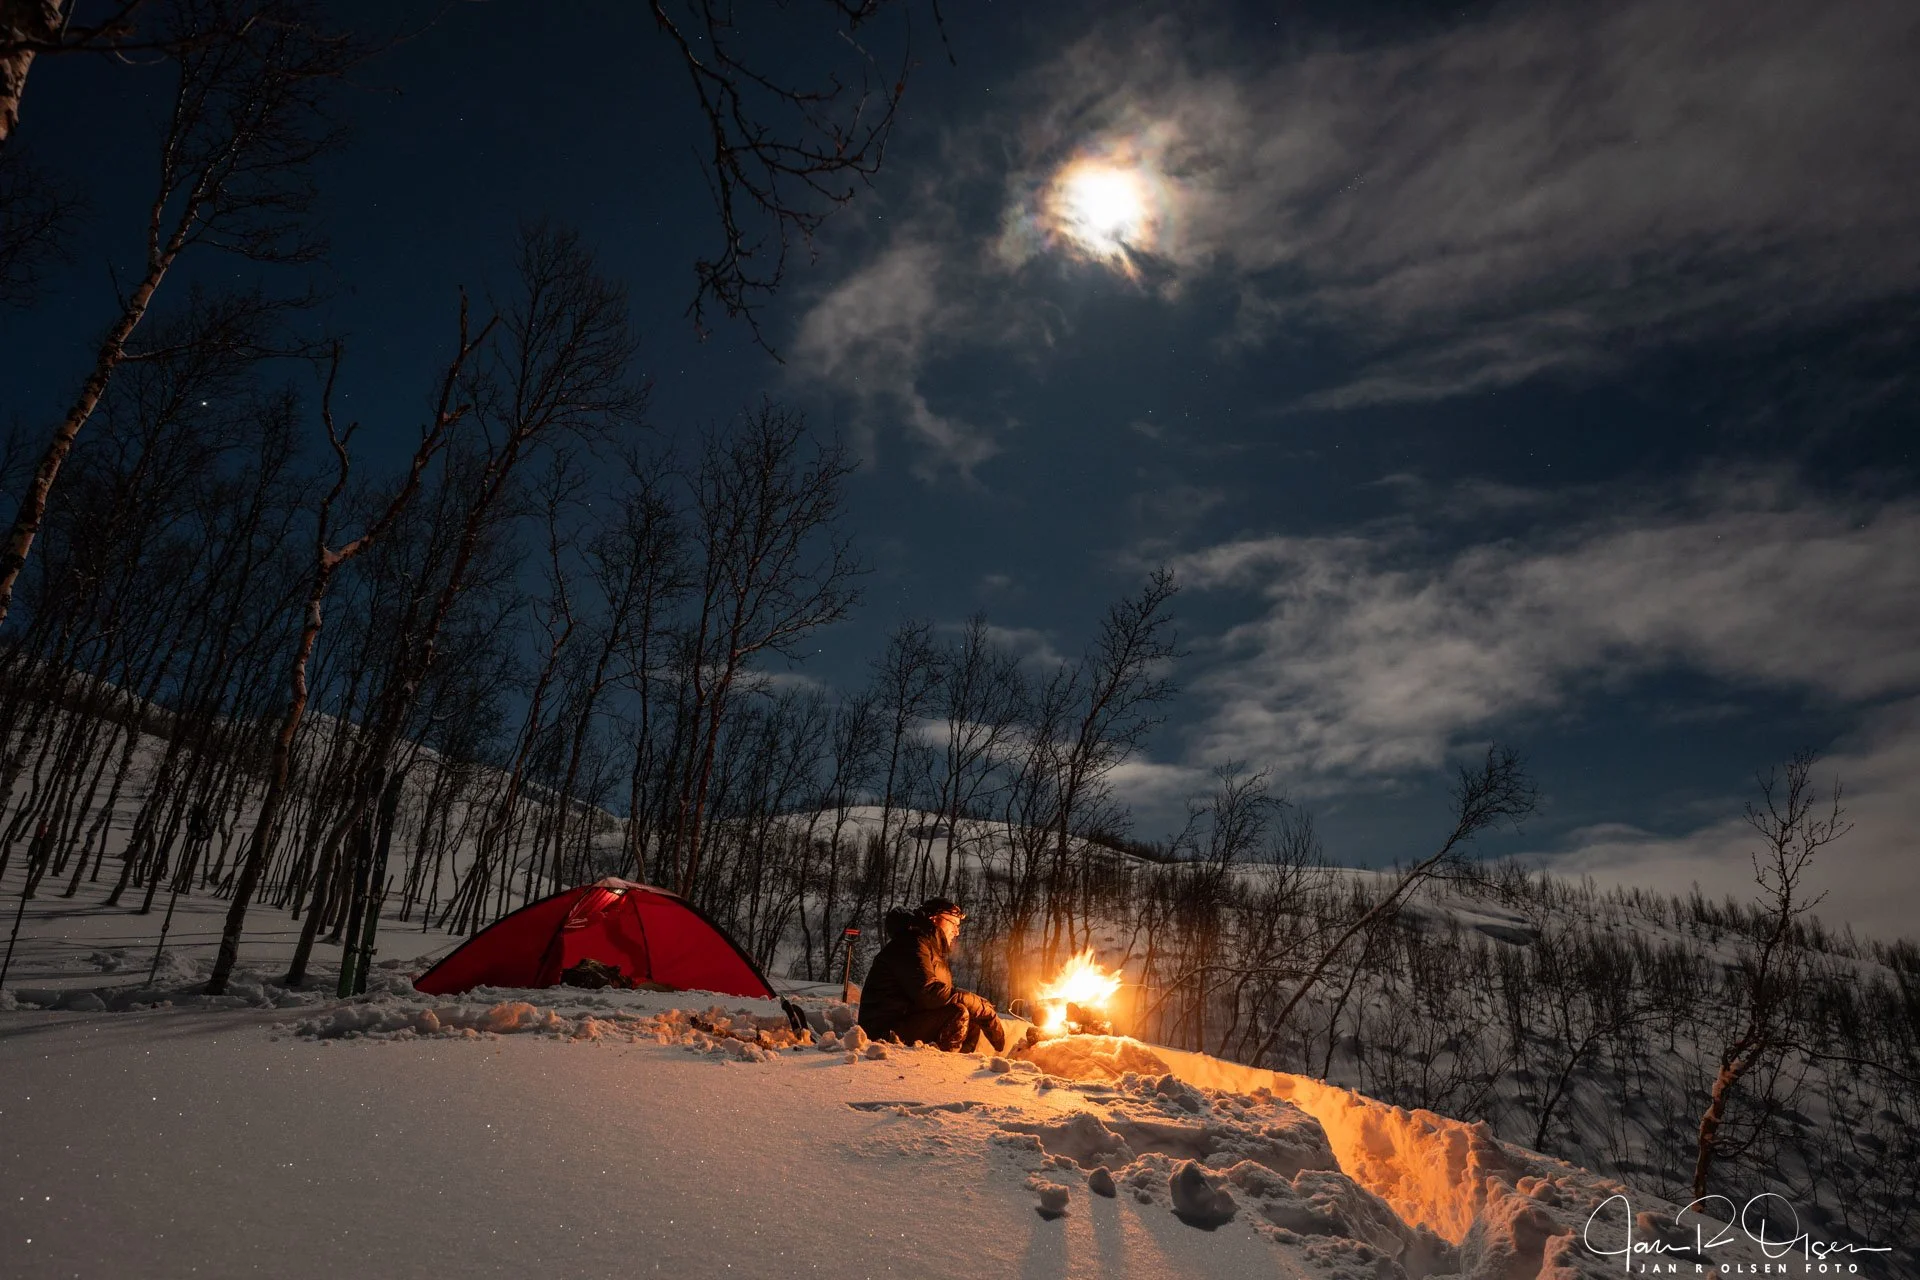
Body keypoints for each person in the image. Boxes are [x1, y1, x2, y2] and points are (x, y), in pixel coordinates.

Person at [856, 897, 1007, 1053]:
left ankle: (963, 1065)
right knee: (958, 1012)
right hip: (884, 1031)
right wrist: (978, 1004)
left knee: (970, 1014)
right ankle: (943, 1068)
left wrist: (976, 1008)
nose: (957, 932)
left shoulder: (929, 949)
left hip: (906, 1020)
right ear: (934, 919)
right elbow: (929, 995)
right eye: (954, 924)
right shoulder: (910, 944)